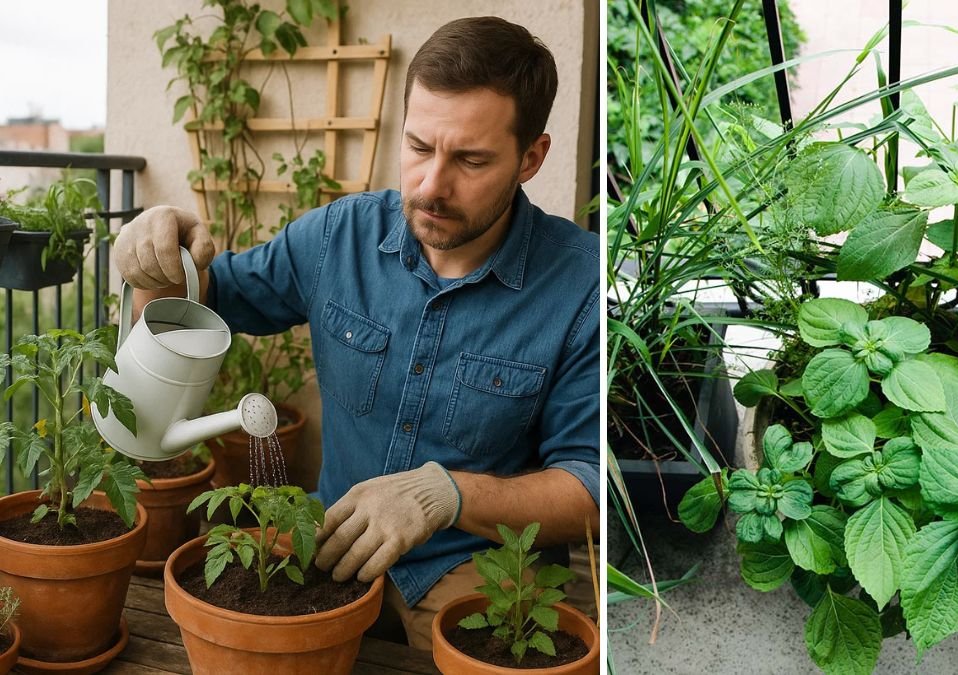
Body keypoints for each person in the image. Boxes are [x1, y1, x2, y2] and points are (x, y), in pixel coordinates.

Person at [113, 16, 599, 649]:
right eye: (419, 146)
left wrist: (444, 496)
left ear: (531, 157)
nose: (430, 185)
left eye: (471, 160)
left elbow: (589, 488)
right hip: (331, 542)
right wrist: (155, 251)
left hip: (476, 570)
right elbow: (209, 298)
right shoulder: (338, 237)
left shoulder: (579, 284)